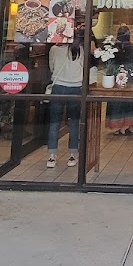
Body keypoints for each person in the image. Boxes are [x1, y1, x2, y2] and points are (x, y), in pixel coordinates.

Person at [46, 29, 86, 169]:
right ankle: (72, 155)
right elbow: (84, 69)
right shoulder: (80, 49)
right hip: (75, 88)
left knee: (54, 122)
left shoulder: (54, 49)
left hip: (58, 87)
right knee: (74, 122)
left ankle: (52, 156)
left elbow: (52, 68)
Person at [105, 26, 133, 136]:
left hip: (117, 73)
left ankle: (119, 126)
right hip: (130, 73)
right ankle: (129, 126)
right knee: (130, 99)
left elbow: (110, 62)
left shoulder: (114, 47)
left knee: (117, 100)